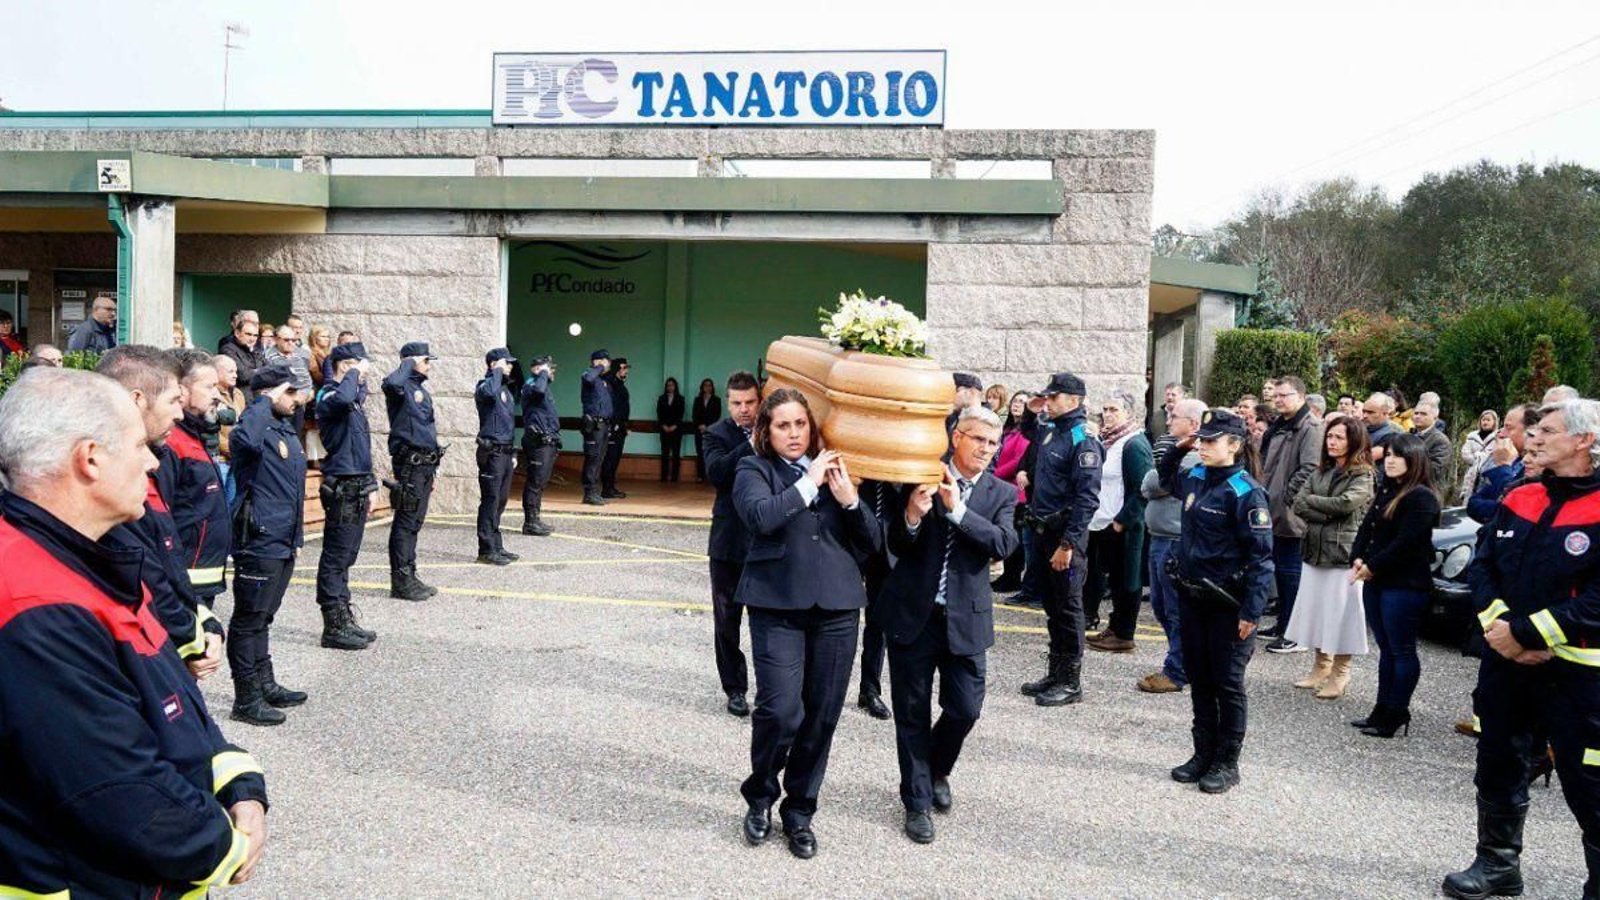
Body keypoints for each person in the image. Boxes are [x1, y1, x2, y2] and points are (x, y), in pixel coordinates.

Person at [0, 367, 270, 895]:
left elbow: (175, 706)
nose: (152, 461)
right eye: (138, 446)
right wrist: (229, 847)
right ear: (90, 458)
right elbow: (120, 793)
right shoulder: (31, 601)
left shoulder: (92, 562)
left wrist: (240, 785)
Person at [1442, 399, 1600, 900]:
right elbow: (1483, 566)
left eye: (1547, 431)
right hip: (1506, 665)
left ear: (1583, 441)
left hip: (1580, 678)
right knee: (1499, 764)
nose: (1532, 438)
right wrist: (1500, 630)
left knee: (1589, 787)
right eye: (1533, 431)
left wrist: (1529, 635)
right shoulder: (1521, 495)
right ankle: (1497, 866)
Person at [734, 388, 882, 860]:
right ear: (767, 431)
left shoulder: (839, 470)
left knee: (822, 715)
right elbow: (760, 517)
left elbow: (873, 544)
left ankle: (799, 811)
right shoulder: (753, 469)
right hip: (777, 606)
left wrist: (851, 501)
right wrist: (808, 483)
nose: (794, 433)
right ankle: (761, 795)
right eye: (783, 425)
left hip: (837, 609)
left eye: (801, 424)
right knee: (780, 710)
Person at [878, 405, 1018, 844]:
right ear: (956, 436)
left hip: (966, 621)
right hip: (914, 616)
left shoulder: (1001, 493)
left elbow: (1003, 544)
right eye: (978, 439)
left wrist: (957, 510)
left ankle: (937, 768)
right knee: (912, 714)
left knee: (965, 709)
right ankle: (916, 802)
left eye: (993, 443)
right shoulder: (921, 474)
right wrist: (913, 516)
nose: (986, 450)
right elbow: (895, 542)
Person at [1156, 408, 1275, 794]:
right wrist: (1180, 448)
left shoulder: (1245, 492)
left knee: (1227, 683)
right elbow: (1164, 477)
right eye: (1202, 440)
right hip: (1193, 597)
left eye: (1211, 441)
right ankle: (1202, 753)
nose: (1204, 447)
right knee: (1201, 679)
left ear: (1235, 446)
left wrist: (1252, 612)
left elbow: (1261, 559)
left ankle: (1227, 761)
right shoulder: (1196, 476)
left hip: (1228, 603)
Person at [95, 345, 225, 676]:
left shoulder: (157, 453)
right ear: (138, 400)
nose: (180, 414)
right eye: (172, 401)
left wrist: (201, 617)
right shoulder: (110, 485)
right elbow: (144, 573)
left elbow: (165, 559)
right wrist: (191, 640)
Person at [227, 364, 310, 726]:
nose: (297, 399)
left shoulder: (282, 428)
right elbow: (242, 443)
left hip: (282, 538)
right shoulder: (254, 425)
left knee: (264, 616)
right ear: (272, 393)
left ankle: (265, 683)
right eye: (290, 392)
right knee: (248, 620)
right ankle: (245, 698)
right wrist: (263, 401)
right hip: (258, 539)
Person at [1017, 372, 1103, 707]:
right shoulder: (1053, 429)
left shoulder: (1083, 439)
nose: (1048, 402)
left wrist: (1067, 545)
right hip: (1042, 529)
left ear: (1074, 400)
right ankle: (1055, 672)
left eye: (1054, 398)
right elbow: (1028, 431)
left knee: (1068, 608)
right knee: (1052, 606)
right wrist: (1030, 409)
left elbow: (1087, 499)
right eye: (1047, 398)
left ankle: (1071, 681)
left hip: (1064, 536)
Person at [1350, 434, 1441, 738]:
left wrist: (1371, 566)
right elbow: (1368, 528)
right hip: (1379, 580)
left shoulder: (1421, 497)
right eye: (1387, 454)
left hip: (1404, 584)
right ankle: (1381, 709)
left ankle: (1396, 711)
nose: (1389, 459)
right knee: (1387, 649)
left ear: (1413, 459)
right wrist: (1358, 557)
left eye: (1397, 455)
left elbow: (1407, 543)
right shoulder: (1389, 489)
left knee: (1401, 650)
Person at [1285, 416, 1375, 699]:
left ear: (1354, 441)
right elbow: (1298, 502)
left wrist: (1315, 504)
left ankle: (1341, 672)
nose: (1332, 442)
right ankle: (1321, 666)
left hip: (1342, 554)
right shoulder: (1322, 470)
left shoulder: (1363, 474)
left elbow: (1347, 504)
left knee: (1343, 614)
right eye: (1330, 436)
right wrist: (1325, 510)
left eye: (1339, 437)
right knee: (1317, 611)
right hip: (1314, 551)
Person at [1137, 397, 1206, 694]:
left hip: (1176, 542)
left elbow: (1156, 483)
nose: (1168, 421)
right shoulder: (1177, 452)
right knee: (1162, 607)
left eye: (1174, 416)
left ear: (1193, 423)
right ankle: (1182, 661)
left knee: (1176, 609)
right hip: (1160, 537)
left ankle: (1177, 670)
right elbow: (1150, 483)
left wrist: (1156, 478)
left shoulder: (1195, 455)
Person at [314, 342, 379, 650]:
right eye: (358, 367)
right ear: (345, 364)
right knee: (335, 557)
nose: (364, 375)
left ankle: (344, 616)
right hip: (341, 485)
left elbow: (361, 450)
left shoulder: (352, 402)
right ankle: (333, 624)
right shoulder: (330, 395)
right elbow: (342, 396)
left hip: (357, 484)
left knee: (347, 556)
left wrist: (372, 484)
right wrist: (354, 372)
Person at [704, 372, 762, 716]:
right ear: (728, 403)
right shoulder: (716, 434)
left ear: (760, 400)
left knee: (767, 622)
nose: (744, 409)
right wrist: (751, 444)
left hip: (764, 543)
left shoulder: (776, 431)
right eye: (737, 403)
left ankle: (771, 687)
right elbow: (717, 473)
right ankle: (735, 689)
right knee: (726, 622)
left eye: (750, 402)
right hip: (727, 545)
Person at [1258, 375, 1323, 653]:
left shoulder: (1310, 427)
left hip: (1290, 511)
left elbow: (1310, 467)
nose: (1278, 399)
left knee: (1291, 572)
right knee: (1281, 572)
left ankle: (1294, 632)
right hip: (1271, 507)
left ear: (1300, 396)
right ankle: (1282, 622)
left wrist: (1286, 497)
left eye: (1285, 395)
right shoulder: (1280, 424)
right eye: (1277, 395)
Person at [164, 349, 233, 611]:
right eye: (210, 386)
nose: (217, 394)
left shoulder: (193, 434)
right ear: (182, 391)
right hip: (185, 582)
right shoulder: (172, 443)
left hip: (201, 577)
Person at [1086, 391, 1152, 654]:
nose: (1108, 414)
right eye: (1105, 409)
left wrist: (1121, 522)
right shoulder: (1109, 441)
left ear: (1130, 414)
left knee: (1128, 580)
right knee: (1114, 580)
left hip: (1123, 526)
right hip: (1104, 523)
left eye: (1114, 409)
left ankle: (1125, 633)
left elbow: (1142, 489)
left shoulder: (1134, 444)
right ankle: (1115, 627)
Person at [381, 342, 444, 600]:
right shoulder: (399, 386)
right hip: (410, 465)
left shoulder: (419, 389)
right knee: (405, 523)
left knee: (415, 522)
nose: (429, 366)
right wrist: (408, 361)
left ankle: (410, 573)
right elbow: (391, 384)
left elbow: (428, 430)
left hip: (424, 465)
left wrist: (435, 469)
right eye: (426, 360)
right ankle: (401, 581)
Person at [475, 347, 520, 566]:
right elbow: (489, 393)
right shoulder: (485, 387)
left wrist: (512, 452)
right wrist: (496, 372)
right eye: (506, 362)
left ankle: (496, 545)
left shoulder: (505, 390)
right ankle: (486, 549)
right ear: (493, 364)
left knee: (500, 501)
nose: (510, 366)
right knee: (490, 500)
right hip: (491, 453)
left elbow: (508, 425)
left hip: (504, 452)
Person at [1467, 404, 1541, 524]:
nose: (1501, 434)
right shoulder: (1509, 459)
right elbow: (1473, 502)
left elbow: (1517, 510)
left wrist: (1503, 466)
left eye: (1509, 428)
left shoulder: (1541, 467)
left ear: (1531, 430)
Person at [990, 391, 1033, 593]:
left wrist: (993, 474)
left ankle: (1013, 576)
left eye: (1023, 402)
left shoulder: (1025, 433)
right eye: (1015, 400)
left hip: (1016, 491)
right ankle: (1008, 574)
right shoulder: (1007, 429)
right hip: (1003, 488)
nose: (1017, 405)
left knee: (1015, 536)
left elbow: (1018, 462)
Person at [520, 355, 562, 537]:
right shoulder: (532, 385)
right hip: (538, 442)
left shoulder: (541, 387)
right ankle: (530, 522)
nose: (552, 372)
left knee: (541, 482)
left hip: (547, 442)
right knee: (535, 482)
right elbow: (538, 390)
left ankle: (535, 519)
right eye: (548, 369)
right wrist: (543, 373)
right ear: (538, 370)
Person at [579, 349, 614, 506]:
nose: (608, 365)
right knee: (592, 458)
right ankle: (589, 492)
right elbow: (588, 378)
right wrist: (599, 366)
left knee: (599, 458)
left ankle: (593, 490)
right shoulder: (589, 374)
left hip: (604, 425)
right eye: (606, 361)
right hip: (594, 425)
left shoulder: (603, 381)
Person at [601, 357, 632, 499]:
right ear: (617, 369)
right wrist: (615, 424)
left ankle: (610, 487)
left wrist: (624, 425)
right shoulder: (611, 384)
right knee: (611, 458)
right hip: (613, 426)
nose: (626, 371)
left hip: (620, 427)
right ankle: (607, 488)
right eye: (624, 368)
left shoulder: (619, 384)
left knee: (615, 458)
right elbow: (612, 407)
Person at [1413, 400, 1453, 501]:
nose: (1418, 416)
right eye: (1416, 413)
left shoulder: (1440, 440)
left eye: (1423, 414)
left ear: (1434, 418)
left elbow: (1435, 469)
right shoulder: (1410, 436)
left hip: (1428, 493)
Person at [218, 313, 264, 400]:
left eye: (255, 335)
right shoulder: (227, 350)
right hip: (240, 400)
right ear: (237, 333)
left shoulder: (256, 350)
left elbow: (270, 372)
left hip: (258, 398)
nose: (252, 338)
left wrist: (255, 372)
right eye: (248, 334)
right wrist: (262, 372)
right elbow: (243, 375)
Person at [1459, 410, 1500, 501]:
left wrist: (1483, 459)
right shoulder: (1472, 437)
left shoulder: (1498, 437)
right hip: (1471, 474)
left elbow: (1496, 455)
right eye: (1483, 420)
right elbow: (1465, 453)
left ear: (1494, 422)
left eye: (1488, 420)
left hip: (1488, 475)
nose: (1485, 422)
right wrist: (1477, 459)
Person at [658, 377, 686, 482]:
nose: (670, 387)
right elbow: (659, 413)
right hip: (664, 429)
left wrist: (675, 426)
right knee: (664, 453)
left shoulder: (680, 398)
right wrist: (664, 425)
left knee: (676, 453)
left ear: (675, 386)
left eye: (672, 385)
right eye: (668, 385)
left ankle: (674, 477)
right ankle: (664, 476)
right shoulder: (662, 398)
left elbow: (681, 414)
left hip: (676, 429)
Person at [692, 377, 721, 483]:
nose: (707, 387)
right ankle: (700, 476)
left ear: (712, 387)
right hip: (699, 430)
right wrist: (700, 425)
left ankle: (710, 476)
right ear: (702, 387)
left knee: (710, 454)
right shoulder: (697, 400)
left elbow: (716, 416)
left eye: (709, 385)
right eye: (705, 385)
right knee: (700, 453)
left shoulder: (716, 400)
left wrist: (707, 427)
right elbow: (694, 415)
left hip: (711, 431)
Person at [1363, 392, 1399, 462]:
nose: (1365, 416)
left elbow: (1367, 458)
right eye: (1364, 411)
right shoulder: (1362, 428)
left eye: (1370, 412)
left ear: (1385, 413)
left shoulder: (1391, 434)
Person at [947, 373, 984, 440]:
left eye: (955, 390)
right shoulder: (955, 415)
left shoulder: (986, 422)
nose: (950, 395)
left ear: (971, 392)